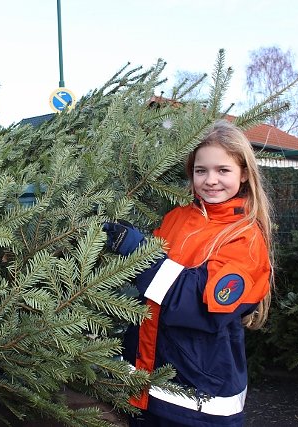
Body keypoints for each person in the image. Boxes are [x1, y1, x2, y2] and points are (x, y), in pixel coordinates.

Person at [103, 119, 274, 427]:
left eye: (223, 170)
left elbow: (197, 305)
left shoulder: (244, 237)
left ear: (244, 174)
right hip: (144, 384)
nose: (211, 180)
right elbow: (150, 287)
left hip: (199, 401)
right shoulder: (176, 218)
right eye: (201, 170)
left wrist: (137, 250)